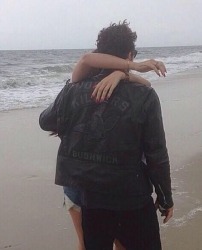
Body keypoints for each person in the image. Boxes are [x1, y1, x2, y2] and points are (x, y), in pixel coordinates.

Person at [39, 20, 174, 250]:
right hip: (131, 197)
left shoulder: (73, 88)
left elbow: (46, 121)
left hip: (90, 197)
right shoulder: (144, 96)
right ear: (130, 55)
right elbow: (156, 155)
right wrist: (164, 197)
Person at [64, 52, 167, 250]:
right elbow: (86, 59)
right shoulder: (83, 79)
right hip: (98, 185)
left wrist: (122, 74)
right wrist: (132, 67)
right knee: (118, 241)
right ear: (128, 54)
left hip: (78, 179)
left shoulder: (77, 87)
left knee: (86, 243)